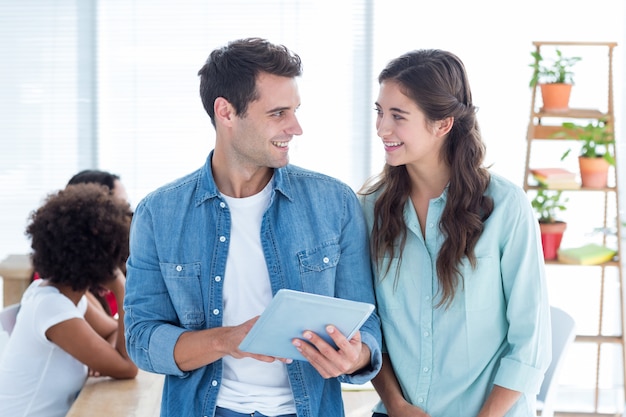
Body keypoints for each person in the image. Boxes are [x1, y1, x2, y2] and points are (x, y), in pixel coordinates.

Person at [123, 37, 382, 417]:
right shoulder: (158, 214)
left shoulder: (335, 203)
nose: (295, 127)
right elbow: (142, 340)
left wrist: (355, 357)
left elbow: (367, 321)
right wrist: (228, 340)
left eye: (295, 110)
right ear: (226, 112)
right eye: (278, 113)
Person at [358, 49, 551, 417]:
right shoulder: (370, 209)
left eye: (398, 116)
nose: (383, 128)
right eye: (380, 112)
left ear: (442, 123)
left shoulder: (505, 207)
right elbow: (370, 327)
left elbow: (530, 341)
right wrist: (396, 405)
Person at [0, 183, 138, 417]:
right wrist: (121, 286)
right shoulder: (52, 308)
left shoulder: (60, 295)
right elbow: (128, 366)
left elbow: (114, 332)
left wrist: (104, 353)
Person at [30, 169, 128, 317]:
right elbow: (120, 337)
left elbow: (114, 330)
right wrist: (121, 287)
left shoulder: (105, 271)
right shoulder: (60, 289)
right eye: (120, 207)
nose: (126, 216)